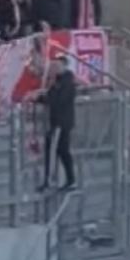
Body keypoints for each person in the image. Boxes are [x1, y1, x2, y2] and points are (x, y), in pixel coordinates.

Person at [39, 58, 77, 192]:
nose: (51, 70)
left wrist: (50, 91)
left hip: (61, 122)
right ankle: (70, 179)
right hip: (58, 121)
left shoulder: (65, 82)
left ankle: (50, 181)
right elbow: (51, 98)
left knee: (55, 150)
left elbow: (58, 100)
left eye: (54, 66)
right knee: (62, 151)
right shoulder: (60, 82)